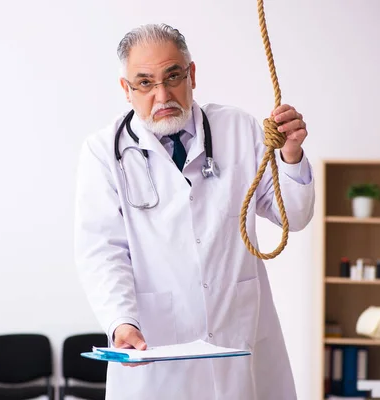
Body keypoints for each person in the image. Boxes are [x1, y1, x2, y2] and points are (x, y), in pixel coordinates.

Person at [73, 23, 315, 400]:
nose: (162, 94)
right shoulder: (104, 152)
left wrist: (291, 155)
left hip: (238, 339)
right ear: (127, 90)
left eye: (173, 76)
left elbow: (293, 217)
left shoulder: (239, 128)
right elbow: (102, 252)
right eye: (145, 83)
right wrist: (121, 322)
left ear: (192, 74)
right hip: (155, 349)